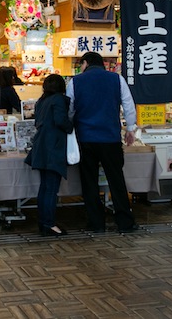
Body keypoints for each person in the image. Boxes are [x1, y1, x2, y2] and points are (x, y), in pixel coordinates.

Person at [67, 51, 139, 234]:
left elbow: (70, 110)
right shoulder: (117, 79)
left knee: (89, 182)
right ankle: (125, 222)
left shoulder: (75, 82)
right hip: (111, 138)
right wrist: (130, 129)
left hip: (86, 139)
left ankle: (96, 223)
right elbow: (129, 105)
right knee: (116, 179)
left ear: (85, 63)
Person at [24, 74, 74, 236]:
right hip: (54, 147)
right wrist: (70, 127)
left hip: (41, 146)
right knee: (51, 188)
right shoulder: (59, 100)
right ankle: (49, 224)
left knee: (45, 187)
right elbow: (61, 121)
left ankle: (44, 222)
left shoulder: (41, 101)